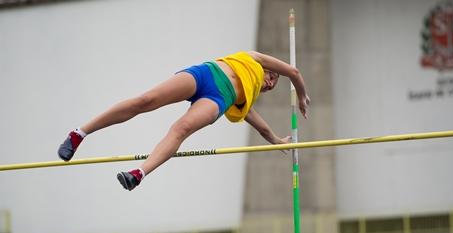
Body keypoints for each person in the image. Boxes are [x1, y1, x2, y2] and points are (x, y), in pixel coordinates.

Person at [57, 51, 310, 190]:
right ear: (268, 72)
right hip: (206, 74)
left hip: (218, 98)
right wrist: (301, 94)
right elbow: (295, 72)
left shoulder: (244, 101)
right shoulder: (255, 58)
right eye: (272, 79)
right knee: (145, 100)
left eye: (273, 86)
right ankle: (80, 133)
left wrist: (277, 140)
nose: (270, 84)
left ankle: (139, 174)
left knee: (181, 128)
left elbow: (261, 126)